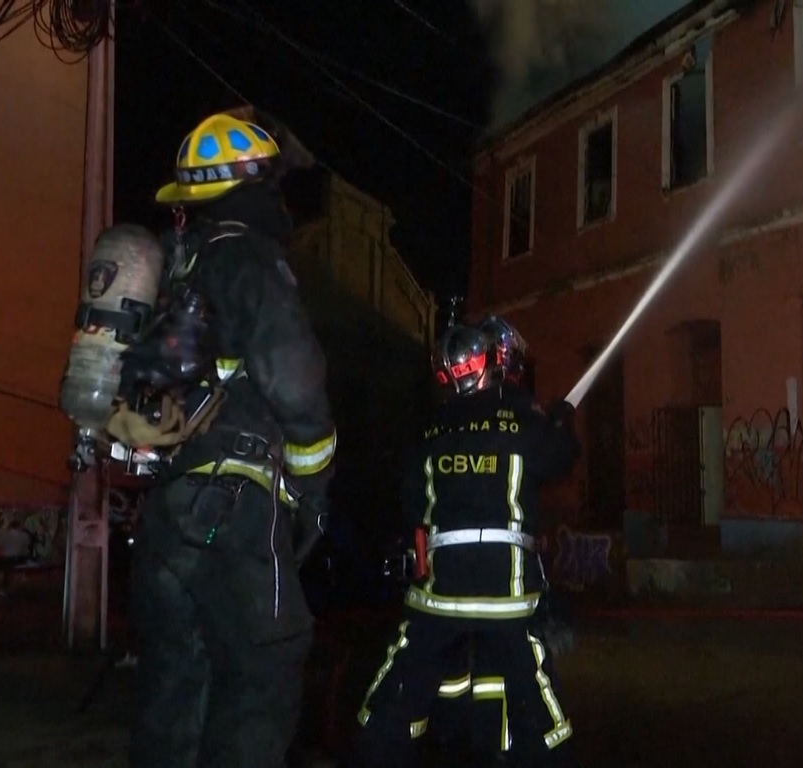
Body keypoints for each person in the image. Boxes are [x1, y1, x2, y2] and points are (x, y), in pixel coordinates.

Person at [122, 108, 337, 768]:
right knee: (262, 676)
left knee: (175, 693)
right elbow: (296, 386)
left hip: (165, 519)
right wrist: (313, 492)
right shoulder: (250, 259)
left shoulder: (178, 271)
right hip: (237, 516)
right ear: (255, 184)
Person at [352, 317, 581, 768]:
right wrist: (558, 422)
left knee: (403, 683)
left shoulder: (431, 430)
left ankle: (378, 751)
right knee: (534, 695)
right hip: (506, 595)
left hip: (439, 595)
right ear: (496, 367)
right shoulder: (521, 421)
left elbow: (411, 501)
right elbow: (562, 459)